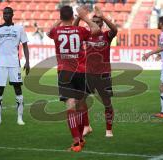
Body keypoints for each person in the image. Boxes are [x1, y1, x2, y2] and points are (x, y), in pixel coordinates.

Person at [47, 6, 100, 152]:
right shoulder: (80, 30)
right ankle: (81, 138)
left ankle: (77, 141)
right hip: (81, 71)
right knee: (81, 104)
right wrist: (84, 16)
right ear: (72, 17)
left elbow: (48, 32)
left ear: (61, 17)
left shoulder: (56, 31)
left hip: (64, 72)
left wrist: (61, 20)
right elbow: (96, 30)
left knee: (70, 104)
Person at [74, 6, 117, 137]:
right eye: (95, 22)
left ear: (102, 24)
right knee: (79, 101)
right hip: (88, 74)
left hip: (103, 74)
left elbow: (114, 30)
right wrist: (79, 17)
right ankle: (87, 126)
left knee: (107, 103)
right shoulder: (87, 35)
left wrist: (103, 16)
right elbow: (74, 30)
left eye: (99, 22)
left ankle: (109, 130)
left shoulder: (106, 36)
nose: (96, 24)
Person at [0, 7, 30, 125]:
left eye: (8, 13)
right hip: (1, 63)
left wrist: (27, 62)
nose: (6, 15)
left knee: (18, 89)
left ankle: (19, 118)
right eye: (4, 14)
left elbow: (25, 45)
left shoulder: (19, 29)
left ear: (12, 15)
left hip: (14, 63)